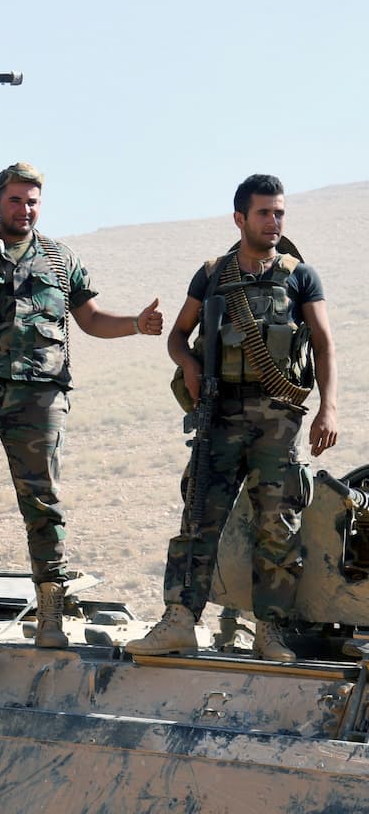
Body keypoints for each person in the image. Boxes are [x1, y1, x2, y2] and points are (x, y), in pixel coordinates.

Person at [0, 163, 163, 649]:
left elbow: (89, 318)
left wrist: (135, 324)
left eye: (32, 201)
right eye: (16, 200)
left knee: (41, 503)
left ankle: (50, 612)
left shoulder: (60, 259)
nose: (25, 209)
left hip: (39, 391)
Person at [128, 174, 337, 661]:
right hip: (220, 415)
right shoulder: (213, 274)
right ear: (240, 218)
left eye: (279, 212)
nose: (273, 221)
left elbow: (324, 345)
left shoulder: (300, 276)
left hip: (278, 419)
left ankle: (270, 631)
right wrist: (188, 364)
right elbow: (178, 335)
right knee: (198, 518)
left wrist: (328, 408)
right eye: (264, 212)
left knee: (278, 527)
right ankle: (179, 621)